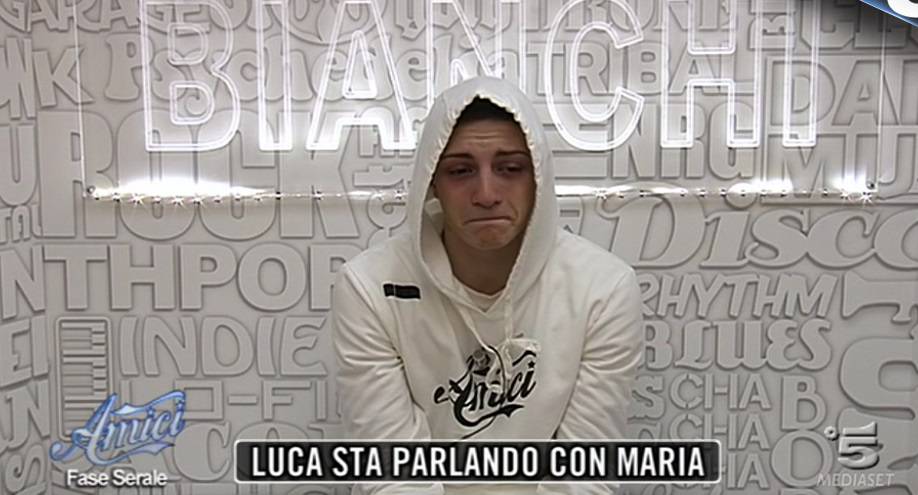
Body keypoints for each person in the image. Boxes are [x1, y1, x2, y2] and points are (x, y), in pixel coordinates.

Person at [331, 76, 643, 494]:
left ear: (538, 178)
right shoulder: (370, 287)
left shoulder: (603, 289)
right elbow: (393, 473)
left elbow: (585, 474)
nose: (486, 193)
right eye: (460, 171)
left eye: (509, 168)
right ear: (432, 184)